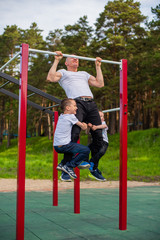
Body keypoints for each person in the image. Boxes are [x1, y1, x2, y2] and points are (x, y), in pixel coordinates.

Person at [47, 51, 104, 181]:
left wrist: (98, 66)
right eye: (72, 58)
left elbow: (100, 84)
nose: (75, 59)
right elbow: (50, 78)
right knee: (74, 134)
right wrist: (56, 60)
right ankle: (66, 167)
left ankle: (92, 166)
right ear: (66, 62)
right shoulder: (63, 72)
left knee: (99, 138)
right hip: (77, 103)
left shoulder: (84, 74)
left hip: (91, 104)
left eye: (77, 58)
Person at [54, 98, 90, 179]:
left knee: (71, 152)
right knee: (86, 150)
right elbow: (83, 127)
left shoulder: (62, 116)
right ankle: (69, 166)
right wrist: (85, 124)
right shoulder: (71, 117)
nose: (76, 108)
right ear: (68, 108)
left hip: (57, 146)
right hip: (64, 145)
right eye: (74, 106)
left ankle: (62, 164)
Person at [88, 111, 109, 181]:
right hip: (95, 143)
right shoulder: (93, 124)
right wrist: (89, 126)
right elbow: (87, 132)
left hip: (104, 142)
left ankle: (91, 162)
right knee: (94, 154)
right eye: (100, 116)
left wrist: (96, 127)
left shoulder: (102, 123)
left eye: (103, 116)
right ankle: (94, 169)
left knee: (101, 152)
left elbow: (104, 126)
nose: (102, 118)